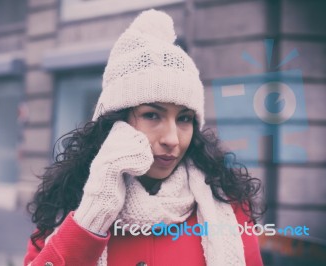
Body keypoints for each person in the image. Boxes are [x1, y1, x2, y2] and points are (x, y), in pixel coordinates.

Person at [24, 9, 263, 266]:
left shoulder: (226, 201)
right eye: (152, 115)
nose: (172, 139)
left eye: (184, 118)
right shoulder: (69, 201)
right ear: (115, 123)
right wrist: (93, 214)